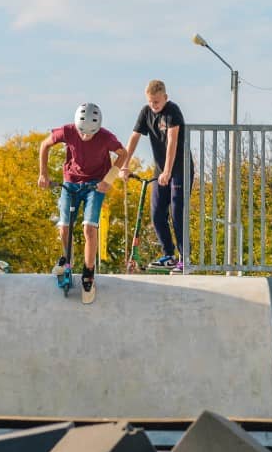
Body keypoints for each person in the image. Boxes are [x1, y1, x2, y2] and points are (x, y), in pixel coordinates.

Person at [38, 102, 128, 295]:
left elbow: (123, 153)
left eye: (90, 133)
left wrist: (109, 179)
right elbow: (44, 145)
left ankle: (88, 271)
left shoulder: (106, 137)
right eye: (82, 132)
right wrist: (43, 174)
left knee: (89, 228)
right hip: (70, 182)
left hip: (95, 185)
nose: (86, 136)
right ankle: (66, 259)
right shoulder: (68, 131)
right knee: (64, 226)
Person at [119, 79, 190, 272]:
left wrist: (168, 171)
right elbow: (133, 138)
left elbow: (172, 142)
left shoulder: (172, 111)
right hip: (161, 170)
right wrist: (125, 165)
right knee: (157, 213)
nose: (154, 105)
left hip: (179, 168)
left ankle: (185, 259)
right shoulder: (146, 112)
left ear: (165, 97)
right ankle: (169, 254)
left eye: (157, 102)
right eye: (151, 102)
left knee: (177, 212)